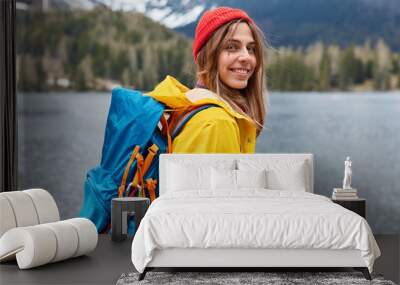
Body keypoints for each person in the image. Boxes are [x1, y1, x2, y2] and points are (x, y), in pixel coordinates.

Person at [147, 7, 267, 153]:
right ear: (207, 55)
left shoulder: (189, 104)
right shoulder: (216, 123)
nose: (246, 57)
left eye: (251, 49)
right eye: (231, 47)